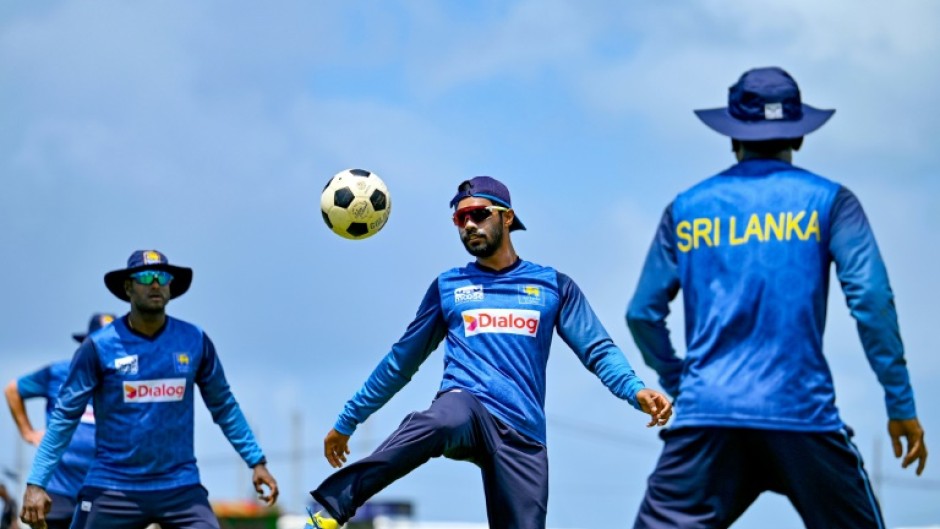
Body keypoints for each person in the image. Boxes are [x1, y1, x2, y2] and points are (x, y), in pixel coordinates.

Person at [626, 66, 928, 529]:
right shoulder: (831, 201)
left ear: (731, 136)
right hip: (802, 415)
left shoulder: (686, 208)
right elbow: (871, 301)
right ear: (801, 136)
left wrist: (682, 381)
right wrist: (900, 406)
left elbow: (642, 314)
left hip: (708, 417)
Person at [304, 176, 673, 529]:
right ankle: (332, 506)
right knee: (441, 419)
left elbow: (598, 349)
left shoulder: (553, 286)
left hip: (523, 433)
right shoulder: (448, 287)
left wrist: (635, 391)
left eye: (478, 214)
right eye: (459, 218)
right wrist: (348, 420)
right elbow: (400, 362)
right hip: (467, 407)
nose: (468, 225)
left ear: (506, 217)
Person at [20, 250, 279, 529]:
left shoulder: (194, 340)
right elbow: (64, 417)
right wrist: (36, 483)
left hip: (179, 486)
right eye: (145, 276)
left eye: (162, 276)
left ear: (170, 287)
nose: (155, 283)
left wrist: (256, 461)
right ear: (128, 287)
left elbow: (224, 406)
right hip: (112, 485)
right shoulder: (98, 346)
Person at [4, 313, 116, 529]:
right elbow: (13, 390)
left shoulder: (120, 379)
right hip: (58, 488)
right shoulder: (59, 372)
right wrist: (28, 432)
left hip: (101, 489)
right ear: (86, 344)